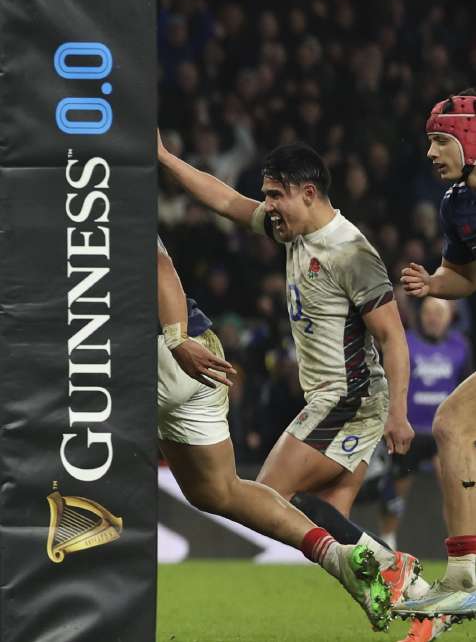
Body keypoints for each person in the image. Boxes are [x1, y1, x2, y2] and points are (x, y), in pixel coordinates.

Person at [158, 134, 430, 636]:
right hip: (329, 400)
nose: (268, 207)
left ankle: (397, 574)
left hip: (351, 399)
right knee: (318, 522)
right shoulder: (292, 232)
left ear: (308, 192)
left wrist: (399, 413)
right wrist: (167, 160)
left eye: (275, 195)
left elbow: (393, 338)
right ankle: (413, 600)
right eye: (266, 196)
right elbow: (224, 200)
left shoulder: (350, 251)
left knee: (269, 497)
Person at [157, 237, 394, 631]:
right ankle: (344, 558)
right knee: (218, 491)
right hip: (201, 350)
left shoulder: (95, 200)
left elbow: (159, 266)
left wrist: (175, 340)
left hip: (161, 351)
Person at [397, 89, 476, 620]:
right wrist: (432, 283)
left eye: (440, 140)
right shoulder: (456, 206)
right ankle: (465, 573)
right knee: (452, 427)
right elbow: (465, 277)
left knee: (453, 426)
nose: (430, 152)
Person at [380, 297, 469, 550]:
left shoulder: (460, 346)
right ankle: (387, 544)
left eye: (438, 313)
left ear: (449, 317)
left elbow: (466, 390)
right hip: (409, 430)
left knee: (456, 493)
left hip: (444, 433)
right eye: (428, 312)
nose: (432, 318)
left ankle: (461, 550)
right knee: (395, 494)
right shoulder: (405, 342)